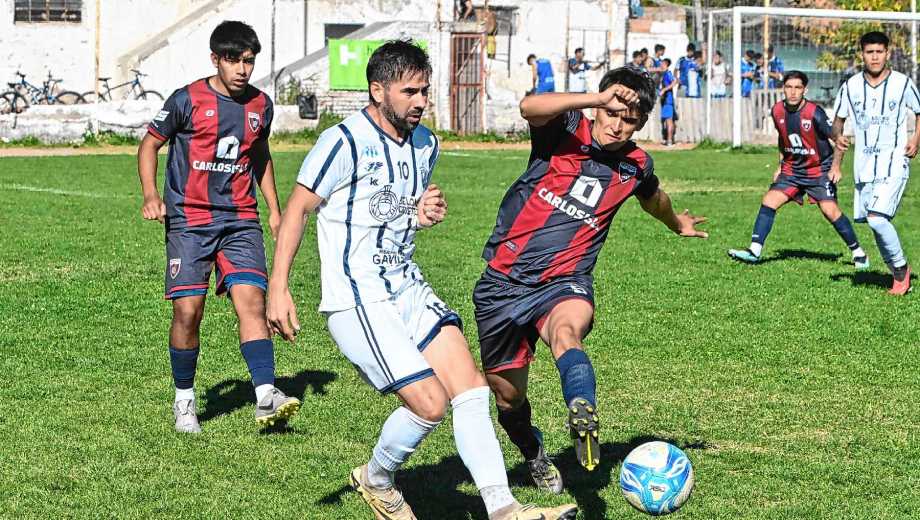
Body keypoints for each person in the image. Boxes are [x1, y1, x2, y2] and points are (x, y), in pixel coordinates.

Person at [267, 40, 577, 520]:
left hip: (407, 286)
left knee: (472, 389)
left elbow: (389, 204)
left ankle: (503, 509)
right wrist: (279, 286)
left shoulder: (426, 143)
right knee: (430, 403)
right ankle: (376, 477)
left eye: (425, 91)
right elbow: (298, 210)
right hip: (359, 296)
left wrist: (418, 212)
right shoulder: (342, 141)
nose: (420, 101)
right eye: (410, 91)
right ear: (377, 90)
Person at [474, 67, 707, 493]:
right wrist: (591, 99)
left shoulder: (635, 164)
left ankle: (582, 407)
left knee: (567, 332)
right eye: (612, 112)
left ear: (640, 125)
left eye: (630, 120)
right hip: (503, 283)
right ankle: (535, 454)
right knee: (508, 398)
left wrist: (677, 224)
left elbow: (654, 198)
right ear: (599, 104)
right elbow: (528, 106)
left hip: (566, 280)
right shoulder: (565, 129)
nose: (617, 125)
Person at [137, 21, 299, 433]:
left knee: (252, 302)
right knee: (188, 312)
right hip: (190, 220)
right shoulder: (186, 99)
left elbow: (260, 155)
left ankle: (266, 394)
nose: (243, 69)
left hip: (240, 219)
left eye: (249, 61)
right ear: (216, 59)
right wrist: (151, 195)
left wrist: (275, 210)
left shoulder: (261, 105)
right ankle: (185, 401)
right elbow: (150, 144)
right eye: (233, 61)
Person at [728, 71, 868, 268]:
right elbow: (783, 138)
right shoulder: (777, 111)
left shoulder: (814, 113)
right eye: (789, 87)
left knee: (830, 210)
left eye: (798, 88)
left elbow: (838, 139)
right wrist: (780, 165)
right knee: (769, 201)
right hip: (792, 170)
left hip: (819, 170)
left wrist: (836, 166)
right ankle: (754, 251)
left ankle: (858, 253)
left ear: (805, 90)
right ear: (783, 88)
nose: (793, 92)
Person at [832, 31, 920, 295]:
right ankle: (898, 273)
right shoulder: (850, 86)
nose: (874, 57)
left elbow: (919, 111)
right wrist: (837, 140)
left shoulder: (903, 83)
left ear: (888, 53)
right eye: (869, 52)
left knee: (878, 218)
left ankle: (901, 273)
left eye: (879, 52)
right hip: (864, 165)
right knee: (874, 222)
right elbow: (838, 122)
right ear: (862, 55)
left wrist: (916, 139)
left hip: (894, 160)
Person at [659, 58, 678, 146]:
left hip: (668, 100)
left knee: (669, 121)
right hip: (666, 100)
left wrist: (664, 90)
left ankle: (670, 140)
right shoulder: (663, 74)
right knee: (668, 120)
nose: (660, 65)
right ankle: (669, 139)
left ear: (666, 64)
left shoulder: (668, 73)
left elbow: (675, 81)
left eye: (662, 64)